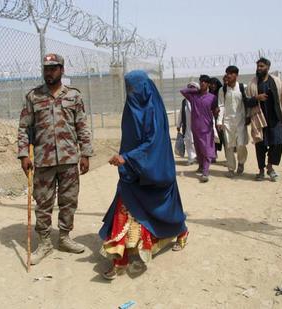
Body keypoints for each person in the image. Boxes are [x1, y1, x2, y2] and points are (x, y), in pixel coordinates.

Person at [99, 70, 189, 280]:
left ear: (146, 88)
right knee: (124, 207)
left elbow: (154, 142)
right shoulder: (130, 107)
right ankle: (119, 260)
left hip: (154, 167)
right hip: (132, 171)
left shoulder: (153, 109)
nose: (131, 93)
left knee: (165, 211)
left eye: (135, 89)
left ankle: (181, 230)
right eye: (128, 89)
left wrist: (128, 158)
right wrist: (127, 159)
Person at [17, 53, 93, 265]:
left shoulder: (74, 96)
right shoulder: (33, 97)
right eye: (46, 69)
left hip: (69, 158)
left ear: (62, 70)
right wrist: (23, 154)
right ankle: (45, 242)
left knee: (69, 200)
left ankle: (64, 238)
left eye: (53, 68)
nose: (48, 72)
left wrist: (85, 153)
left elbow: (82, 126)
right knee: (43, 201)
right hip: (43, 159)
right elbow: (24, 128)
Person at [243, 57, 282, 181]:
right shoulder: (252, 84)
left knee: (278, 144)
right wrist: (257, 98)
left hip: (275, 119)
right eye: (258, 66)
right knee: (260, 146)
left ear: (268, 67)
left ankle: (270, 167)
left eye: (261, 66)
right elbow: (246, 102)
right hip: (258, 119)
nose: (259, 69)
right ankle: (261, 170)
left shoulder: (276, 82)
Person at [180, 75, 218, 182]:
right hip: (195, 128)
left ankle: (205, 172)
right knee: (199, 149)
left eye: (205, 82)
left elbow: (215, 111)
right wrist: (194, 89)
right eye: (201, 82)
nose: (202, 84)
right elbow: (182, 91)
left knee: (206, 150)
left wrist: (216, 112)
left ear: (208, 84)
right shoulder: (193, 97)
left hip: (206, 129)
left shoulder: (212, 97)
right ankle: (201, 166)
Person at [217, 66, 249, 178]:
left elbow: (247, 103)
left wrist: (248, 118)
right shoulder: (223, 90)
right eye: (227, 73)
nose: (228, 75)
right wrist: (219, 121)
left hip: (240, 121)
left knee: (241, 144)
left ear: (236, 75)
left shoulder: (243, 88)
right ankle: (231, 168)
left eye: (231, 73)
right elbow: (221, 105)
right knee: (229, 146)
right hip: (227, 122)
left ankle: (241, 162)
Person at [175, 82, 199, 165]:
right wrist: (178, 124)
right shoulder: (184, 101)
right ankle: (191, 158)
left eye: (193, 88)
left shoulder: (198, 99)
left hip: (197, 125)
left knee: (196, 141)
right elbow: (181, 113)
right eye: (190, 88)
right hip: (187, 125)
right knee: (188, 141)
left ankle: (198, 157)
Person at [208, 77, 224, 162]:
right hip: (212, 118)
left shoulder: (221, 93)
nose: (213, 86)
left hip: (221, 118)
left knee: (223, 137)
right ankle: (214, 154)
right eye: (211, 84)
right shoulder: (208, 94)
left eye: (214, 84)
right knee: (213, 137)